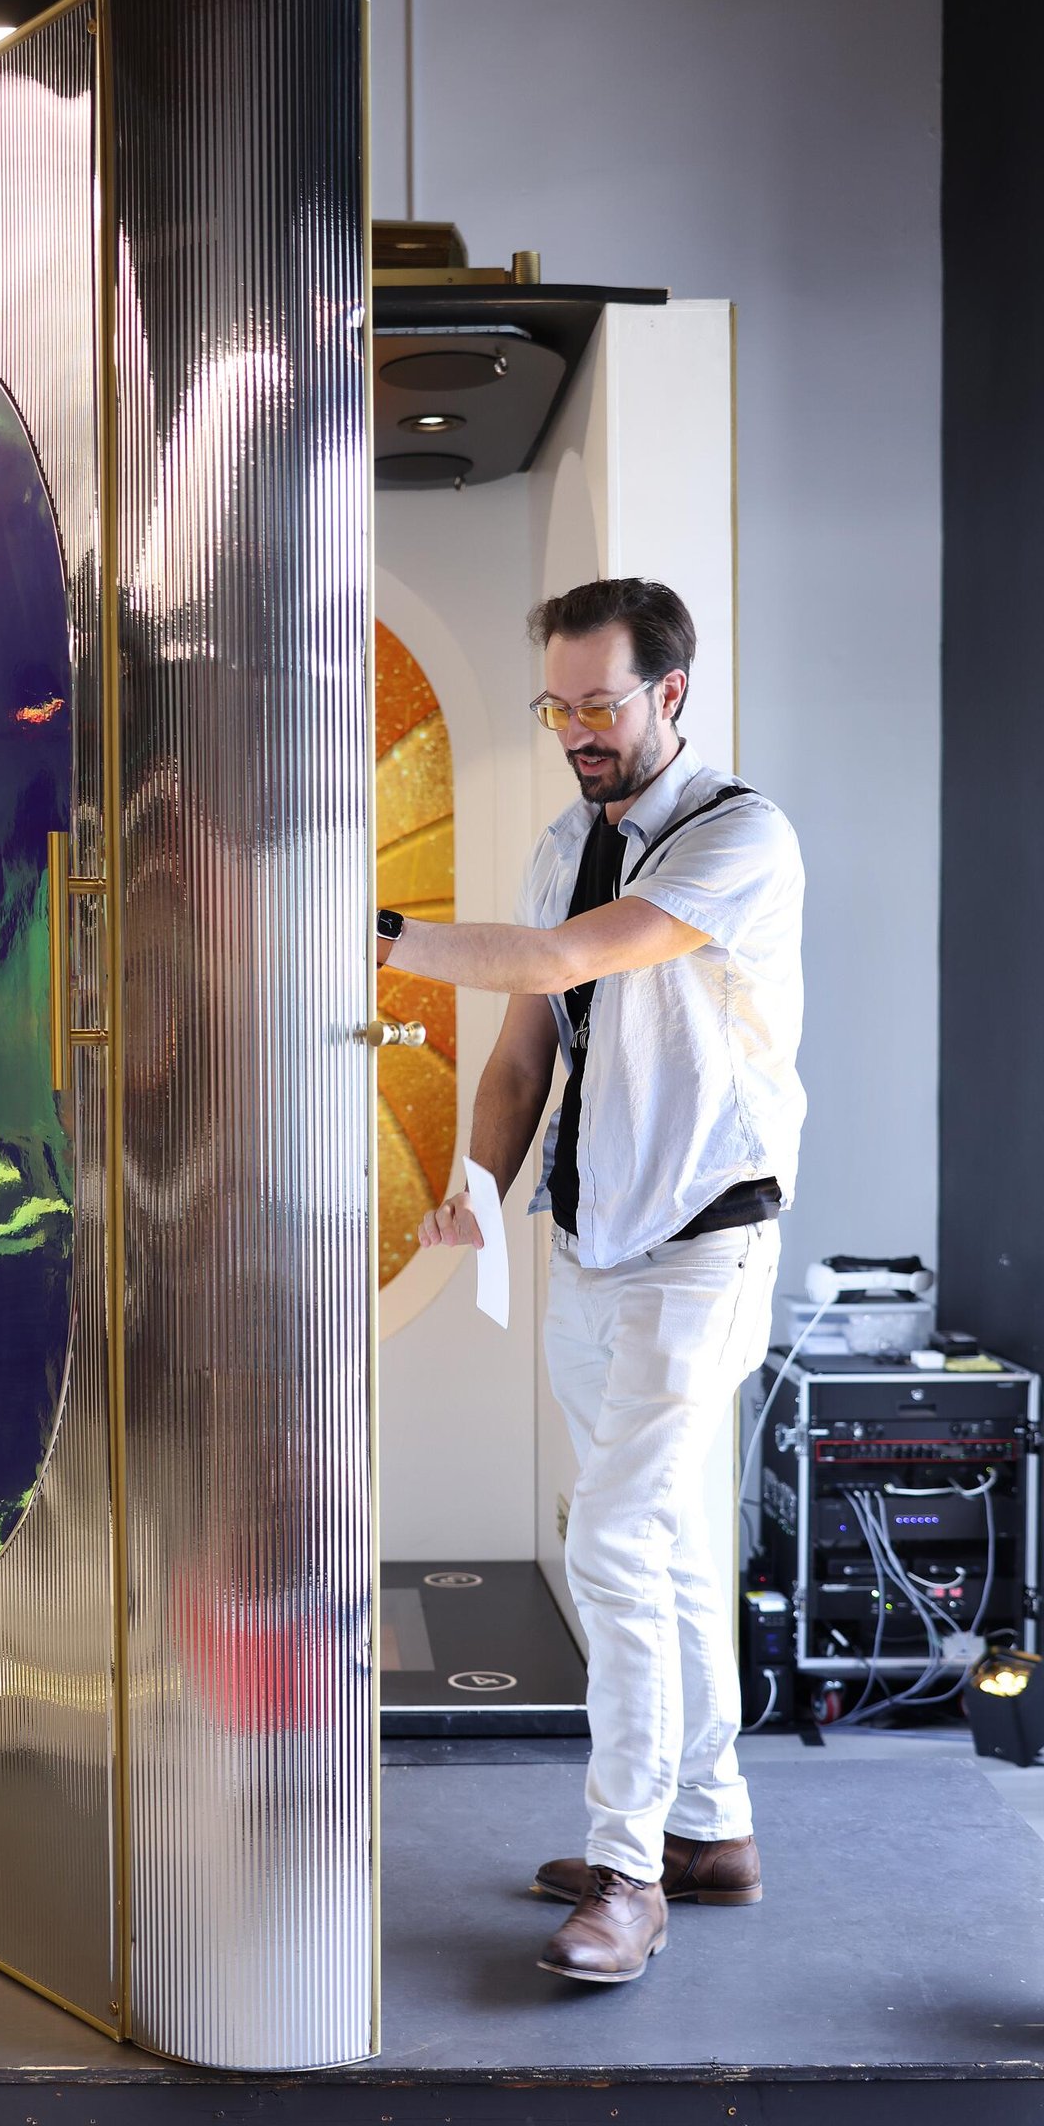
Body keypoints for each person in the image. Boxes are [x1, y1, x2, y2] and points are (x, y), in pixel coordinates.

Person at [378, 576, 804, 1986]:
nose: (575, 731)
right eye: (555, 707)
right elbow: (524, 1051)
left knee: (614, 1547)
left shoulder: (740, 835)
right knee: (659, 1546)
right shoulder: (566, 841)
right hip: (589, 1242)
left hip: (705, 1243)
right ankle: (711, 1831)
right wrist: (473, 1187)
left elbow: (570, 955)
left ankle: (629, 1874)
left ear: (669, 692)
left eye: (599, 705)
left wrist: (374, 935)